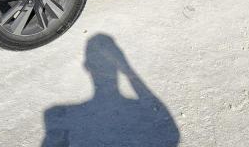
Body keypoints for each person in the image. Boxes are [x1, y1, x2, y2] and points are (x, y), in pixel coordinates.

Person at [41, 34, 180, 147]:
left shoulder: (57, 114)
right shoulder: (57, 114)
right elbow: (171, 135)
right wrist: (127, 70)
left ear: (87, 67)